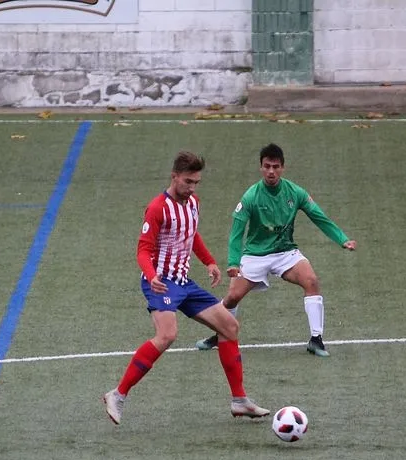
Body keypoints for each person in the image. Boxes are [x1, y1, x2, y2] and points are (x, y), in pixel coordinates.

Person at [102, 151, 270, 425]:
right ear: (174, 177)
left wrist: (209, 261)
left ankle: (240, 400)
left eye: (196, 183)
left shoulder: (193, 203)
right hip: (161, 283)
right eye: (187, 182)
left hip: (184, 283)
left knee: (229, 326)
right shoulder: (157, 208)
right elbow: (143, 250)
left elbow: (191, 234)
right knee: (167, 335)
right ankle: (117, 395)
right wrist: (151, 275)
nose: (192, 187)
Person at [194, 143, 356, 358]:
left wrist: (342, 239)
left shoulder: (295, 192)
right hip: (255, 255)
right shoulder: (251, 196)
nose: (271, 171)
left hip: (285, 253)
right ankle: (220, 334)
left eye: (276, 167)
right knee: (232, 297)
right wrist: (233, 262)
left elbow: (319, 217)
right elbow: (236, 233)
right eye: (267, 166)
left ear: (282, 168)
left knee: (311, 281)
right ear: (261, 168)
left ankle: (316, 340)